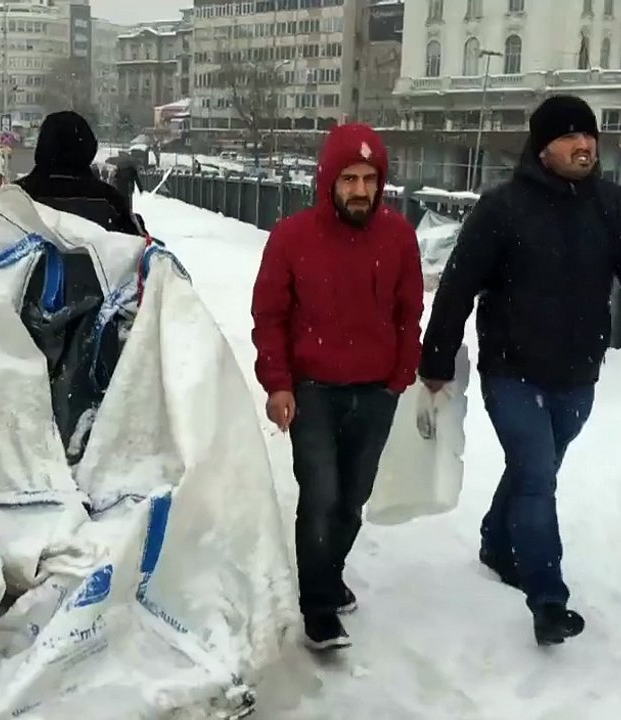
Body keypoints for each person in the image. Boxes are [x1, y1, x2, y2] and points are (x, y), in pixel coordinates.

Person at [418, 94, 621, 647]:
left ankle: (496, 542)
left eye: (590, 136)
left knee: (538, 469)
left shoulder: (613, 207)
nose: (584, 145)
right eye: (571, 137)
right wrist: (436, 358)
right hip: (512, 369)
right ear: (543, 147)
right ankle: (547, 597)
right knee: (535, 474)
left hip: (577, 373)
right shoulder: (502, 207)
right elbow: (457, 286)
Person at [251, 122, 424, 651]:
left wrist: (402, 372)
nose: (360, 190)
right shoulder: (292, 238)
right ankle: (318, 606)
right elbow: (270, 315)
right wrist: (278, 384)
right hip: (313, 391)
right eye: (349, 178)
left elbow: (408, 310)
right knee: (321, 495)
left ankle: (328, 572)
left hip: (376, 392)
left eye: (370, 179)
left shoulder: (398, 237)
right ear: (328, 181)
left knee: (352, 499)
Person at [0, 111, 143, 238]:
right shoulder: (109, 201)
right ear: (89, 148)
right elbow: (138, 260)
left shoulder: (14, 199)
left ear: (42, 147)